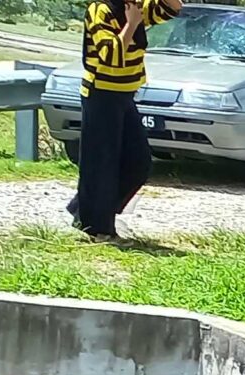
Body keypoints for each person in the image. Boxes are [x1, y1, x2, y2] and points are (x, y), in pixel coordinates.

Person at [72, 0, 183, 241]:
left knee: (138, 163)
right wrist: (132, 23)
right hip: (100, 94)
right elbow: (110, 55)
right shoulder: (100, 10)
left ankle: (85, 210)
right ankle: (97, 228)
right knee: (102, 164)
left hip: (126, 95)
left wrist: (136, 16)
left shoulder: (137, 6)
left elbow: (173, 7)